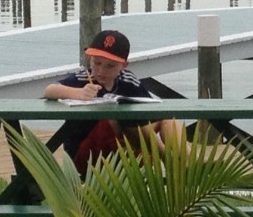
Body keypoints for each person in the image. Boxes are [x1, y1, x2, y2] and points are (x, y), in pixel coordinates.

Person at [43, 29, 180, 175]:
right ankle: (168, 158)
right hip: (86, 156)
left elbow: (150, 110)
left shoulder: (128, 79)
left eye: (110, 66)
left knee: (167, 119)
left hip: (127, 150)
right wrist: (78, 93)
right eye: (97, 63)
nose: (101, 71)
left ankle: (186, 158)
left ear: (124, 65)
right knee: (117, 117)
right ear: (89, 59)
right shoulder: (83, 78)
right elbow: (49, 90)